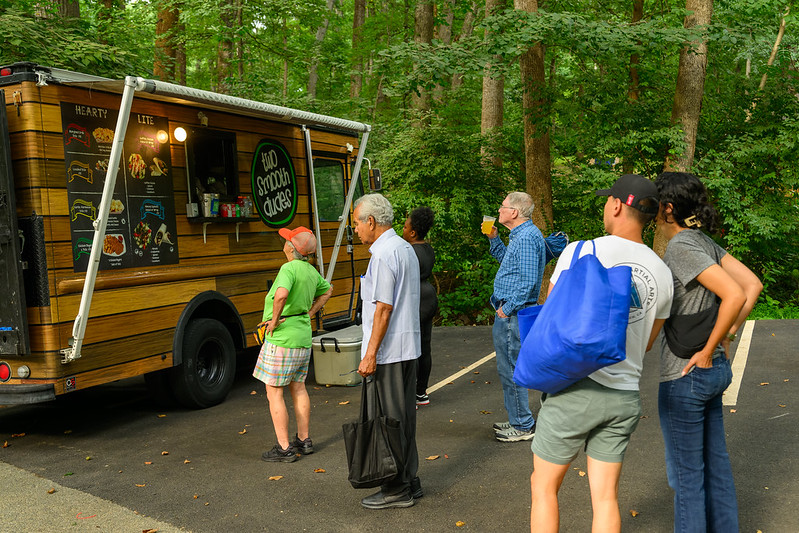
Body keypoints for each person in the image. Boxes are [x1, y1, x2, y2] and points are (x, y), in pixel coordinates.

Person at [529, 174, 673, 532]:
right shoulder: (662, 270)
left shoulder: (581, 251)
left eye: (607, 200)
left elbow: (552, 315)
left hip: (575, 391)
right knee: (605, 496)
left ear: (617, 205)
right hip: (623, 395)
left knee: (544, 487)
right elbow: (648, 341)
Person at [654, 171, 762, 532]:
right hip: (712, 373)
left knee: (687, 478)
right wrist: (727, 333)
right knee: (715, 466)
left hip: (685, 373)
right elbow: (752, 285)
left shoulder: (682, 247)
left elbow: (734, 293)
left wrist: (711, 346)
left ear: (668, 209)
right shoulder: (703, 242)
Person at [352, 193, 422, 510]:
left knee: (390, 418)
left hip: (390, 351)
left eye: (356, 223)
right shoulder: (404, 248)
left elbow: (383, 309)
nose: (355, 229)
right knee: (404, 416)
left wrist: (369, 354)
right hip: (408, 348)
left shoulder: (382, 254)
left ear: (371, 222)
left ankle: (396, 488)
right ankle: (410, 479)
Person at [253, 226, 333, 463]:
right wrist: (310, 313)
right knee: (298, 387)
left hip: (283, 338)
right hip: (302, 337)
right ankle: (304, 440)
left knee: (274, 391)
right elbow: (328, 291)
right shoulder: (310, 270)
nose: (284, 243)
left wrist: (274, 322)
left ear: (291, 248)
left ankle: (285, 448)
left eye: (286, 240)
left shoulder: (288, 268)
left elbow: (280, 296)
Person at [486, 191, 546, 442]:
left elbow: (529, 280)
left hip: (513, 315)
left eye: (502, 207)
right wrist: (494, 239)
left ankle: (522, 425)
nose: (499, 210)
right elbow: (508, 265)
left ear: (514, 212)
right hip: (511, 312)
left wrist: (507, 308)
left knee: (511, 370)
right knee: (509, 368)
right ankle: (518, 419)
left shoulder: (526, 238)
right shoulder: (521, 236)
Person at [402, 206, 438, 406]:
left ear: (413, 232)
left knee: (411, 347)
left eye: (406, 227)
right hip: (428, 297)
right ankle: (421, 392)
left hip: (415, 298)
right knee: (425, 346)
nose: (403, 229)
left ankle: (410, 392)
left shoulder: (409, 251)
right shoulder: (427, 248)